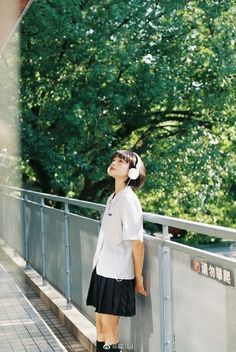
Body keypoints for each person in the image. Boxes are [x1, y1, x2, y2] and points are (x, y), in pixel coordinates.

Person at [86, 150, 148, 352]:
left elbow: (137, 242)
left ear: (132, 172)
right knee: (101, 330)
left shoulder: (129, 200)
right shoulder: (113, 197)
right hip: (102, 269)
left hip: (117, 276)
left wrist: (138, 276)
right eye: (113, 159)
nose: (114, 163)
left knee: (111, 334)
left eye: (120, 161)